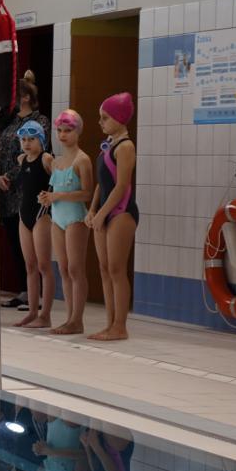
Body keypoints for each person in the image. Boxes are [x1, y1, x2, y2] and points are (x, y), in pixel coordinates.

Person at [87, 92, 139, 341]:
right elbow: (102, 183)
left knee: (117, 270)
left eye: (105, 117)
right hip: (105, 212)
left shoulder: (126, 146)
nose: (100, 122)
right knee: (105, 269)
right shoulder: (108, 144)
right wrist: (92, 210)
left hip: (122, 213)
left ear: (119, 118)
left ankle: (120, 326)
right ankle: (109, 325)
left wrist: (102, 213)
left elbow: (121, 186)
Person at [0, 71, 51, 310]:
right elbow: (3, 152)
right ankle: (25, 294)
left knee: (38, 256)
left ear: (26, 97)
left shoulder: (40, 122)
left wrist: (9, 176)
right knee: (18, 245)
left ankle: (39, 300)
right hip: (10, 193)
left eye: (15, 95)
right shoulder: (9, 122)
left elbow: (37, 156)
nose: (26, 142)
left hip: (30, 194)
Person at [38, 110, 93, 335]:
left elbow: (87, 194)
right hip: (57, 218)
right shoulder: (56, 162)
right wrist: (47, 197)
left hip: (76, 218)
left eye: (68, 131)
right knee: (63, 268)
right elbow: (55, 190)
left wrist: (58, 196)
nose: (62, 135)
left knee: (75, 268)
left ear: (77, 132)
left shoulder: (83, 160)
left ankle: (77, 320)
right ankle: (70, 318)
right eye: (59, 130)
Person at [14, 121, 54, 328]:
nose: (27, 143)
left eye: (31, 139)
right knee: (29, 266)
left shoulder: (46, 159)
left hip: (42, 216)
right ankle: (32, 312)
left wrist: (52, 197)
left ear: (41, 140)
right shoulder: (21, 159)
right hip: (24, 215)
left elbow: (59, 181)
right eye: (23, 140)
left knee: (44, 266)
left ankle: (45, 315)